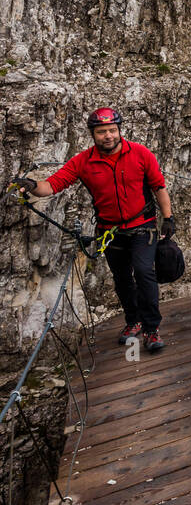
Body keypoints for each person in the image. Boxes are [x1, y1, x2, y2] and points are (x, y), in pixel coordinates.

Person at [9, 107, 174, 353]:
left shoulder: (140, 153)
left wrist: (168, 218)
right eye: (101, 132)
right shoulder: (83, 162)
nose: (108, 136)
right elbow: (52, 185)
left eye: (111, 130)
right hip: (110, 231)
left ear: (119, 130)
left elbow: (158, 187)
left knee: (143, 272)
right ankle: (133, 321)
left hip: (142, 226)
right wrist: (31, 185)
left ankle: (151, 328)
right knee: (122, 279)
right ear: (93, 134)